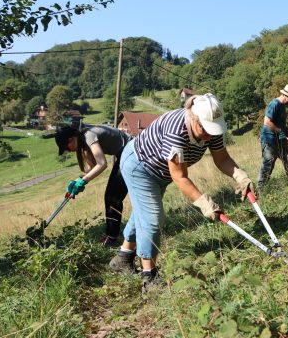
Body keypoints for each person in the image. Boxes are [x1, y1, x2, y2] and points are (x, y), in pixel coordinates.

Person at [108, 93, 255, 293]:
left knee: (143, 212)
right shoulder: (177, 131)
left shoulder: (211, 126)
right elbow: (180, 176)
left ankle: (123, 258)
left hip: (160, 172)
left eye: (213, 131)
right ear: (193, 118)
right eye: (205, 130)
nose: (209, 136)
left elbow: (222, 159)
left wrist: (240, 176)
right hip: (139, 165)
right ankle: (149, 278)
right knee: (152, 218)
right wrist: (203, 202)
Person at [55, 125, 132, 246]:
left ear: (70, 139)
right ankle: (111, 235)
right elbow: (92, 168)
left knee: (112, 197)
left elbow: (102, 164)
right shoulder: (84, 143)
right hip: (125, 153)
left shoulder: (88, 135)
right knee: (111, 196)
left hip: (131, 150)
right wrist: (78, 180)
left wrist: (83, 181)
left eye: (66, 147)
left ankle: (111, 238)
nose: (68, 151)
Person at [257, 84, 288, 189]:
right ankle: (261, 189)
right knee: (268, 163)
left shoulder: (283, 106)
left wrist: (287, 132)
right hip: (269, 140)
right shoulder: (274, 104)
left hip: (280, 139)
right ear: (284, 95)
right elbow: (267, 122)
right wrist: (281, 132)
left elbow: (281, 123)